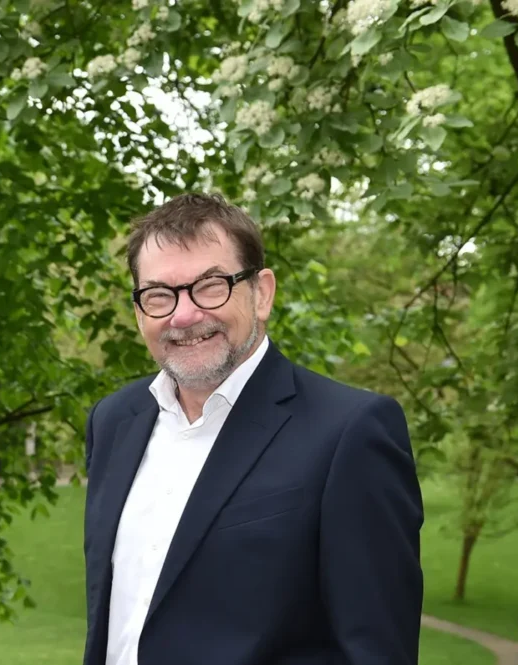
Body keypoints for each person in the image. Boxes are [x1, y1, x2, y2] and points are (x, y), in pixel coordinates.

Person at [80, 193, 424, 665]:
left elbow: (376, 651)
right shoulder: (113, 421)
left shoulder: (350, 433)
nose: (183, 315)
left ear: (261, 293)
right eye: (160, 295)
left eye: (210, 285)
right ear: (140, 310)